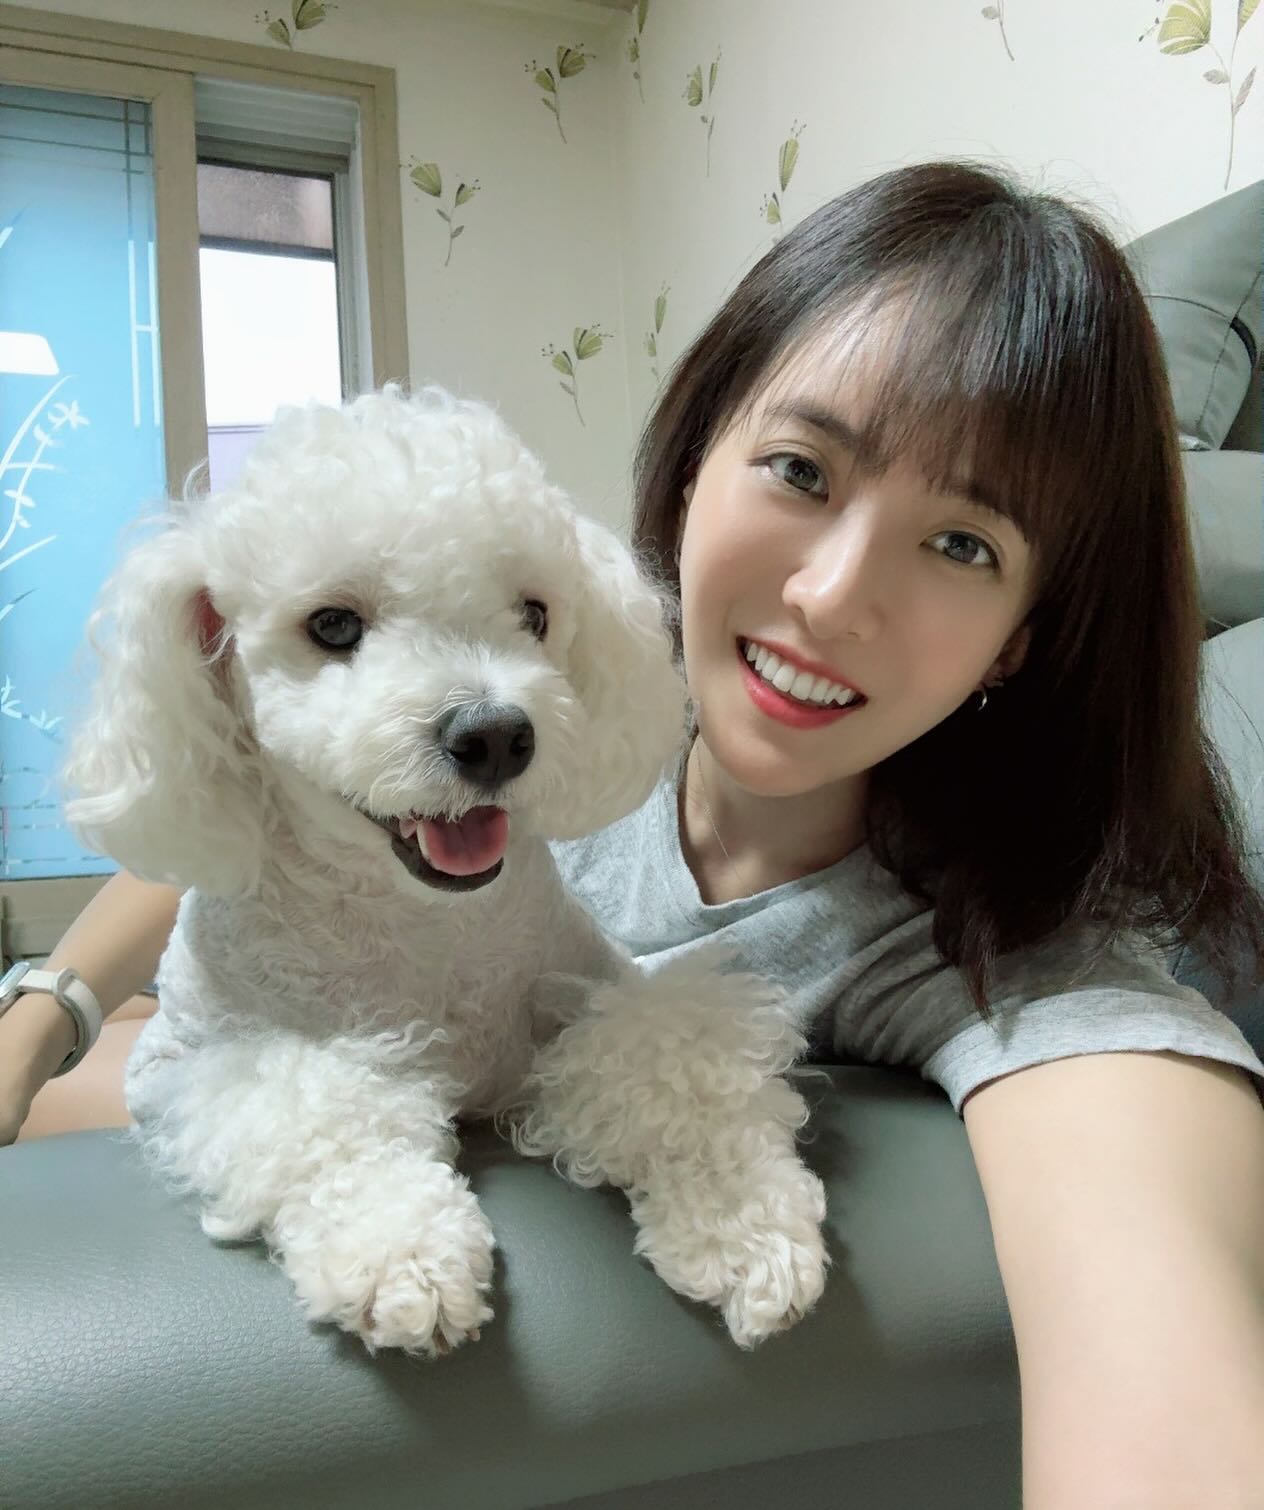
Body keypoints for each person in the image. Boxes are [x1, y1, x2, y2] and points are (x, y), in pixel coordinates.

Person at [3, 160, 1263, 1506]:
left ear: (1020, 636)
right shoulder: (588, 683)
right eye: (802, 468)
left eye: (963, 544)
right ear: (698, 450)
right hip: (213, 1028)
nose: (831, 597)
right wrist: (44, 1010)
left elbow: (1162, 1370)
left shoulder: (1014, 960)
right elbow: (250, 819)